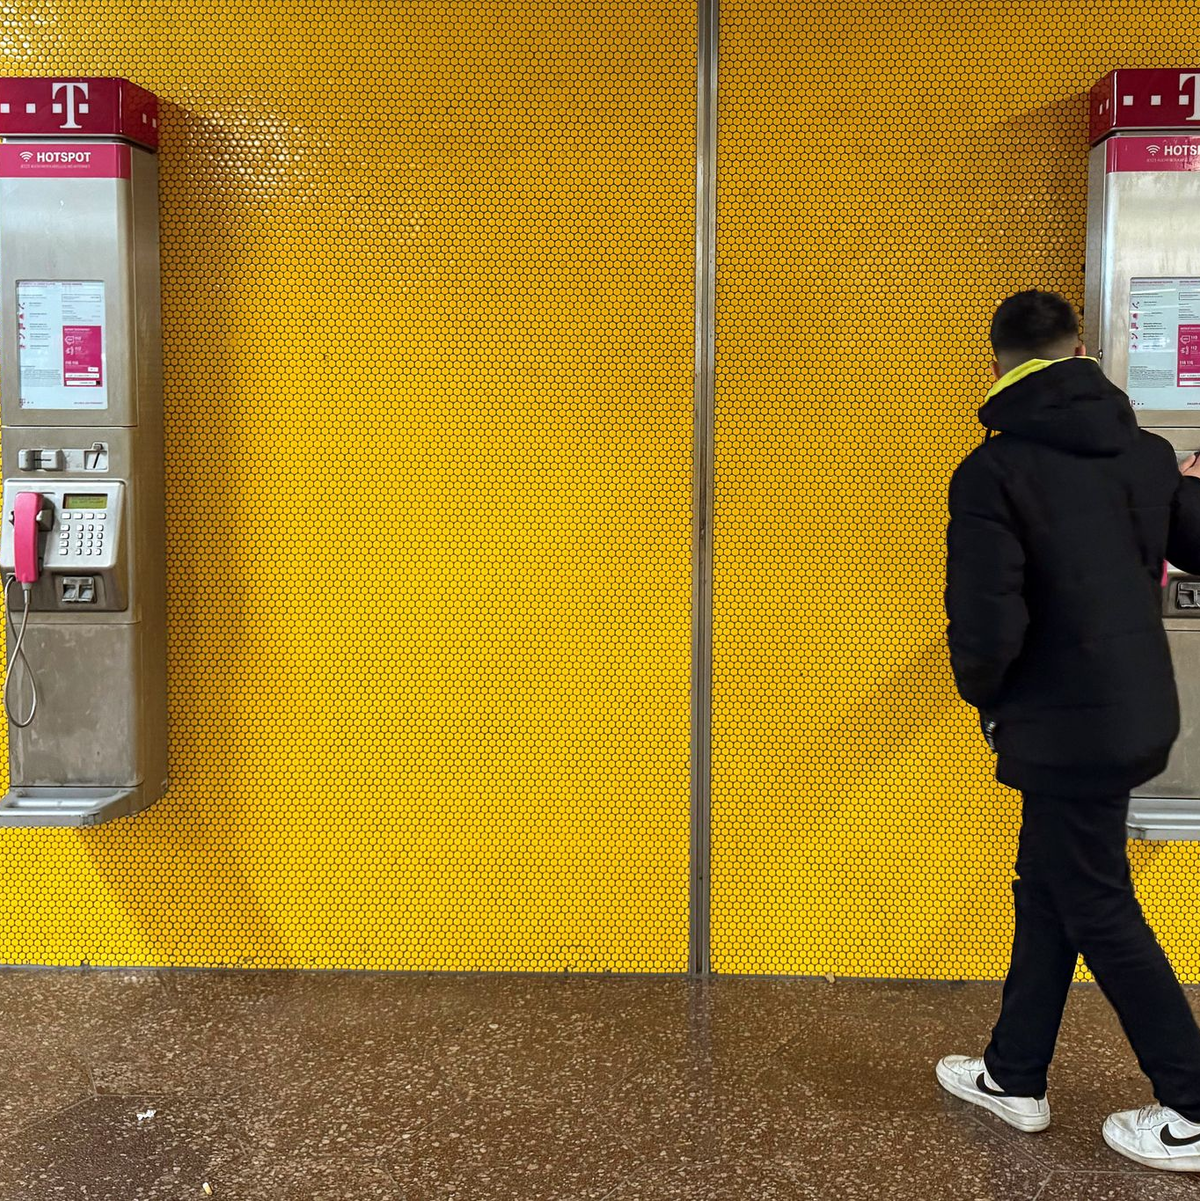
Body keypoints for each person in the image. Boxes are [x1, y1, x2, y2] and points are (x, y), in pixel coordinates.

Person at [938, 289, 1200, 1172]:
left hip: (1062, 724)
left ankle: (1192, 1104)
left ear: (999, 361)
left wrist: (988, 698)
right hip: (1135, 711)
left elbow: (985, 621)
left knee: (1094, 898)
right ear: (1078, 347)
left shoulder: (995, 470)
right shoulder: (1145, 451)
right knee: (1048, 881)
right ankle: (1015, 1074)